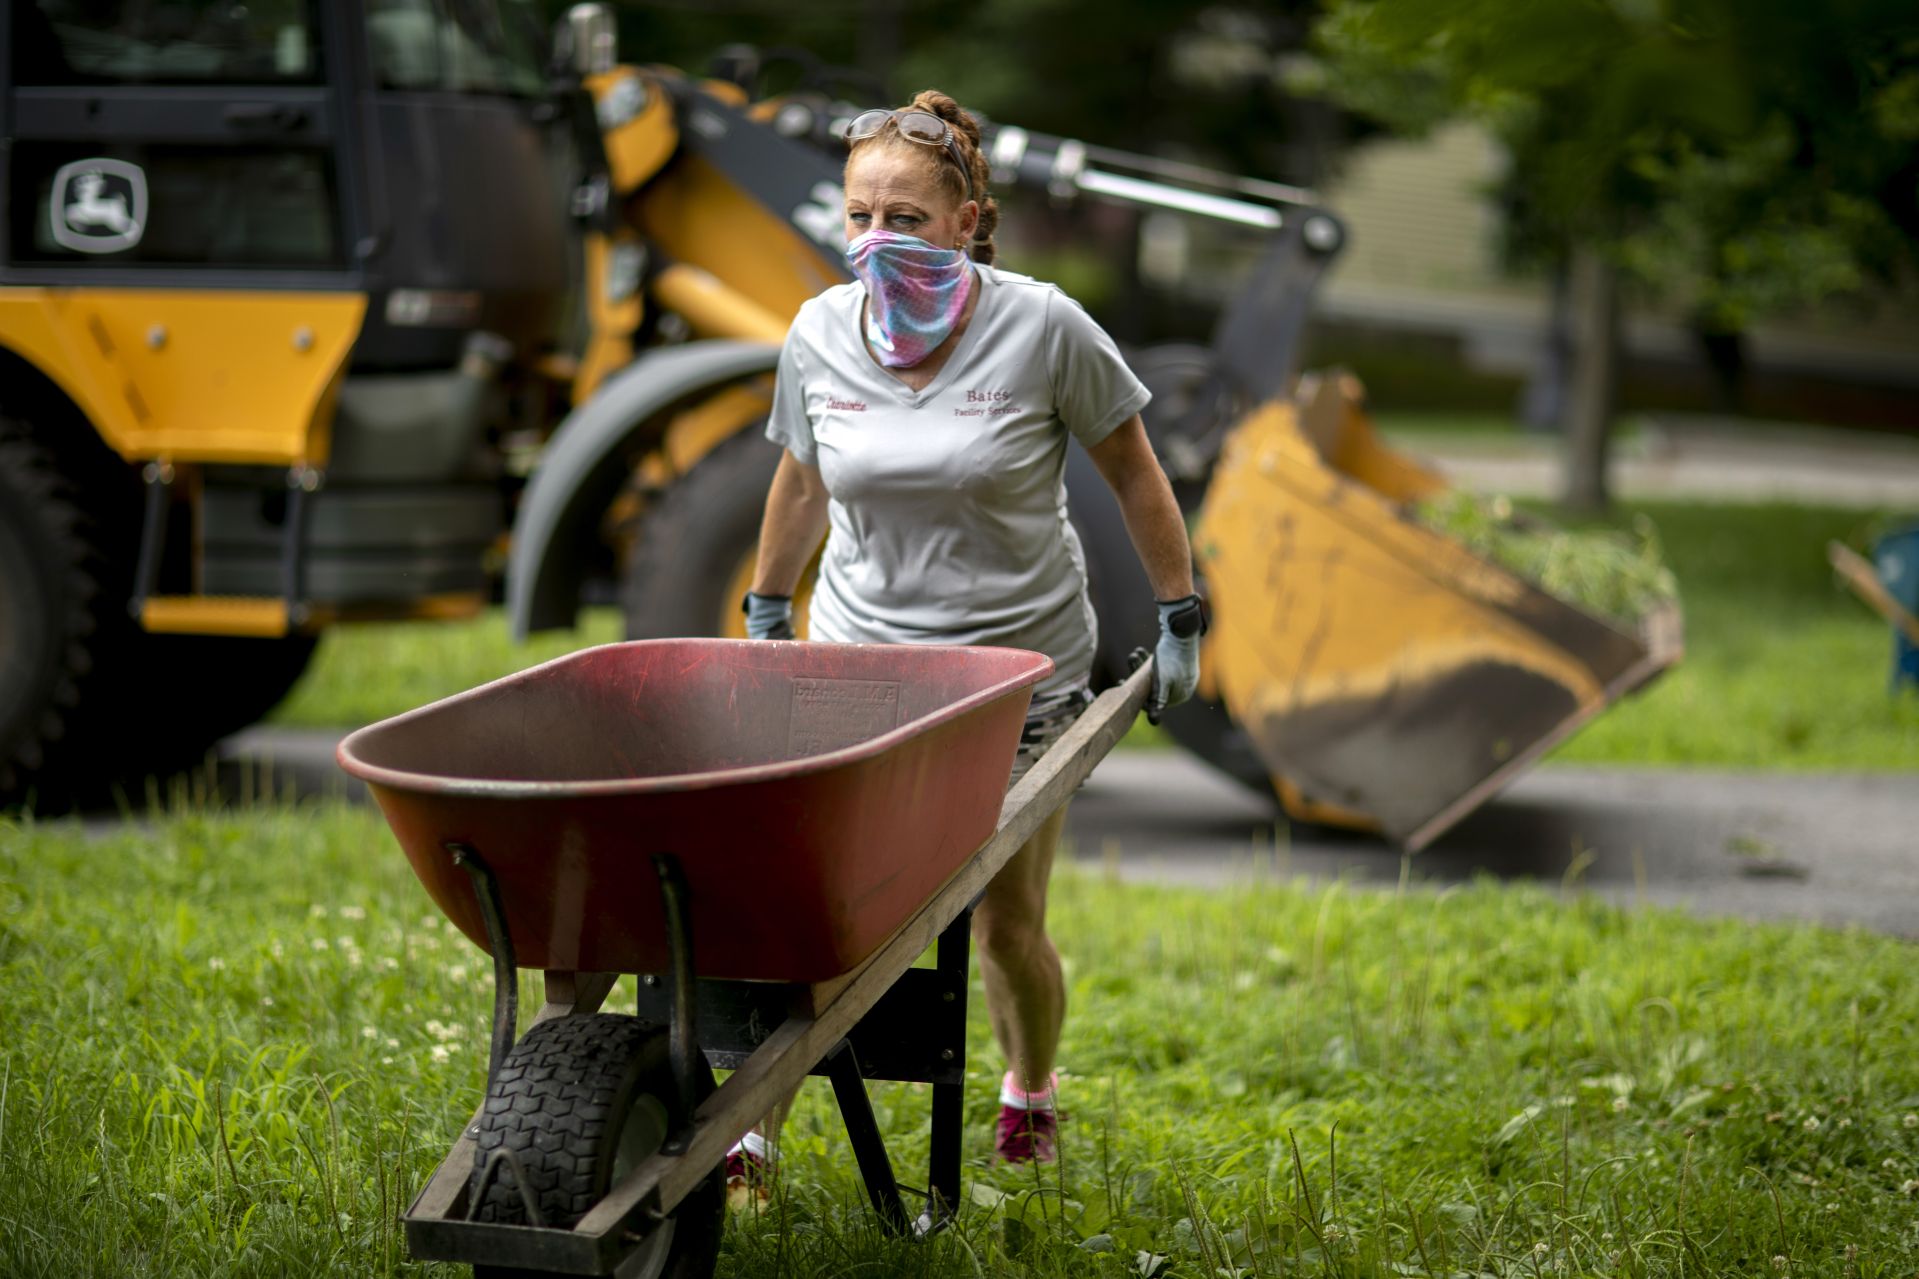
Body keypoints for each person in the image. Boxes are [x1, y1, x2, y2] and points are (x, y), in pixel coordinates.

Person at [739, 89, 1203, 1173]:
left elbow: (1134, 472)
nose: (875, 240)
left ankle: (1029, 1089)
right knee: (820, 908)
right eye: (858, 216)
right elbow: (800, 480)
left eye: (903, 218)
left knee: (1003, 922)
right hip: (856, 662)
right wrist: (767, 606)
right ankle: (751, 1131)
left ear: (964, 219)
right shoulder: (816, 332)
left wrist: (1179, 612)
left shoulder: (1040, 327)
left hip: (1015, 675)